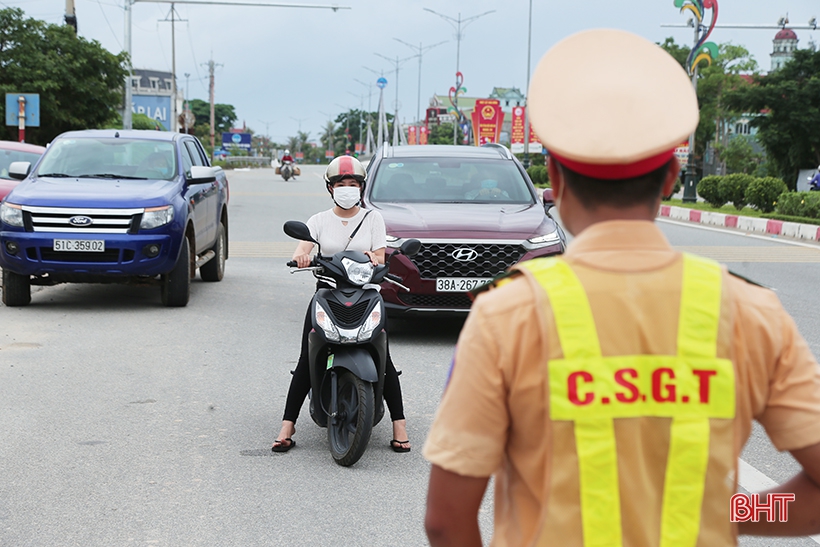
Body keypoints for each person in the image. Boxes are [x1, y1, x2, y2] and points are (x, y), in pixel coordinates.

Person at [423, 29, 820, 547]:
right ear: (672, 177)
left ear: (555, 179)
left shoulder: (507, 313)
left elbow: (446, 519)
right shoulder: (751, 311)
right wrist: (731, 511)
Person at [272, 155, 411, 453]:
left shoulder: (373, 219)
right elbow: (302, 248)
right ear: (330, 188)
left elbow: (380, 255)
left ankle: (400, 424)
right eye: (340, 184)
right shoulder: (319, 221)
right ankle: (287, 425)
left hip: (366, 295)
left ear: (361, 187)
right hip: (328, 294)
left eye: (352, 184)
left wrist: (377, 258)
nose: (347, 188)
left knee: (383, 357)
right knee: (307, 358)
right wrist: (303, 256)